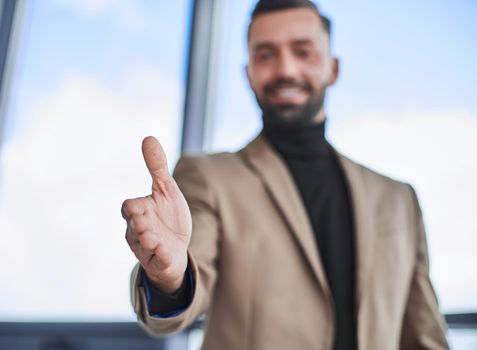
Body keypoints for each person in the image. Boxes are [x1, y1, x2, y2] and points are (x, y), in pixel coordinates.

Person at [121, 0, 449, 349]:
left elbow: (424, 335)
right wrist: (170, 275)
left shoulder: (399, 200)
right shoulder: (209, 178)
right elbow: (185, 281)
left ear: (333, 68)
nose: (285, 68)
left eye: (303, 52)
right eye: (266, 55)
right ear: (248, 74)